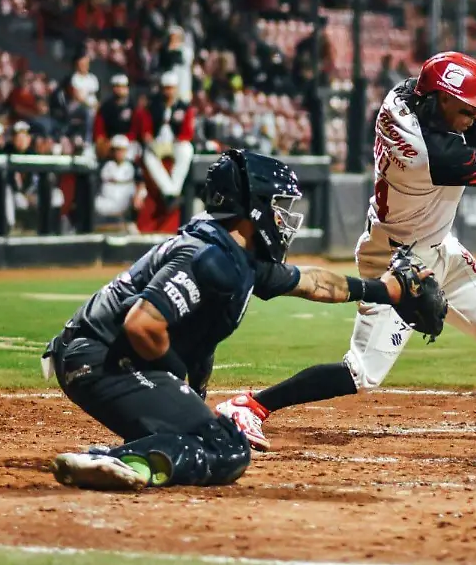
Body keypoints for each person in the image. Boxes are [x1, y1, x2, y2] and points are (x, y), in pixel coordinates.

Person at [215, 51, 476, 452]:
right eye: (467, 108)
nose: (474, 116)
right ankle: (249, 406)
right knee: (362, 373)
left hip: (435, 245)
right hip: (398, 264)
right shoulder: (432, 155)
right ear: (443, 100)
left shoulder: (406, 97)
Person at [44, 149, 433, 491]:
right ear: (253, 206)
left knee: (210, 438)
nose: (284, 218)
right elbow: (142, 325)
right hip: (102, 359)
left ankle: (131, 457)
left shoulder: (241, 257)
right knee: (227, 446)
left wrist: (386, 291)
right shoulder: (212, 258)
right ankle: (117, 461)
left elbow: (314, 283)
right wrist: (176, 373)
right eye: (277, 206)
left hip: (107, 359)